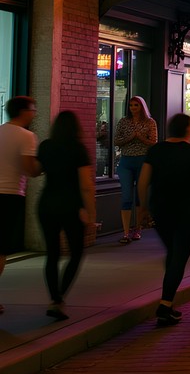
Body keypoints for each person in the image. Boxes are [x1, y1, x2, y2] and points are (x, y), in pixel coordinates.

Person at [138, 113, 190, 326]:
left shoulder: (155, 150)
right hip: (186, 210)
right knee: (179, 257)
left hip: (160, 209)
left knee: (173, 253)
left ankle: (168, 305)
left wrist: (143, 207)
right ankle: (165, 304)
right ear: (188, 130)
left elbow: (143, 182)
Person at [35, 110, 96, 321]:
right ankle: (59, 298)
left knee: (52, 254)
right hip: (71, 206)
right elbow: (86, 185)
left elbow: (35, 170)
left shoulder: (45, 146)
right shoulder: (78, 149)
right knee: (76, 252)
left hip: (46, 204)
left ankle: (54, 299)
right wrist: (90, 212)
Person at [0, 96, 40, 315]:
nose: (34, 113)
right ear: (23, 111)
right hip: (10, 194)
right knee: (1, 248)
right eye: (33, 109)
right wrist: (41, 167)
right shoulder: (27, 137)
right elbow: (29, 169)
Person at [113, 96, 157, 243]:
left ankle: (137, 228)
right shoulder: (123, 122)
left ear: (142, 107)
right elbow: (116, 141)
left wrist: (141, 138)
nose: (133, 108)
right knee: (126, 196)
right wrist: (131, 137)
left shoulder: (150, 122)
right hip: (126, 161)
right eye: (131, 105)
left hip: (142, 161)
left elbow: (153, 143)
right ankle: (126, 232)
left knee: (139, 196)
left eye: (136, 105)